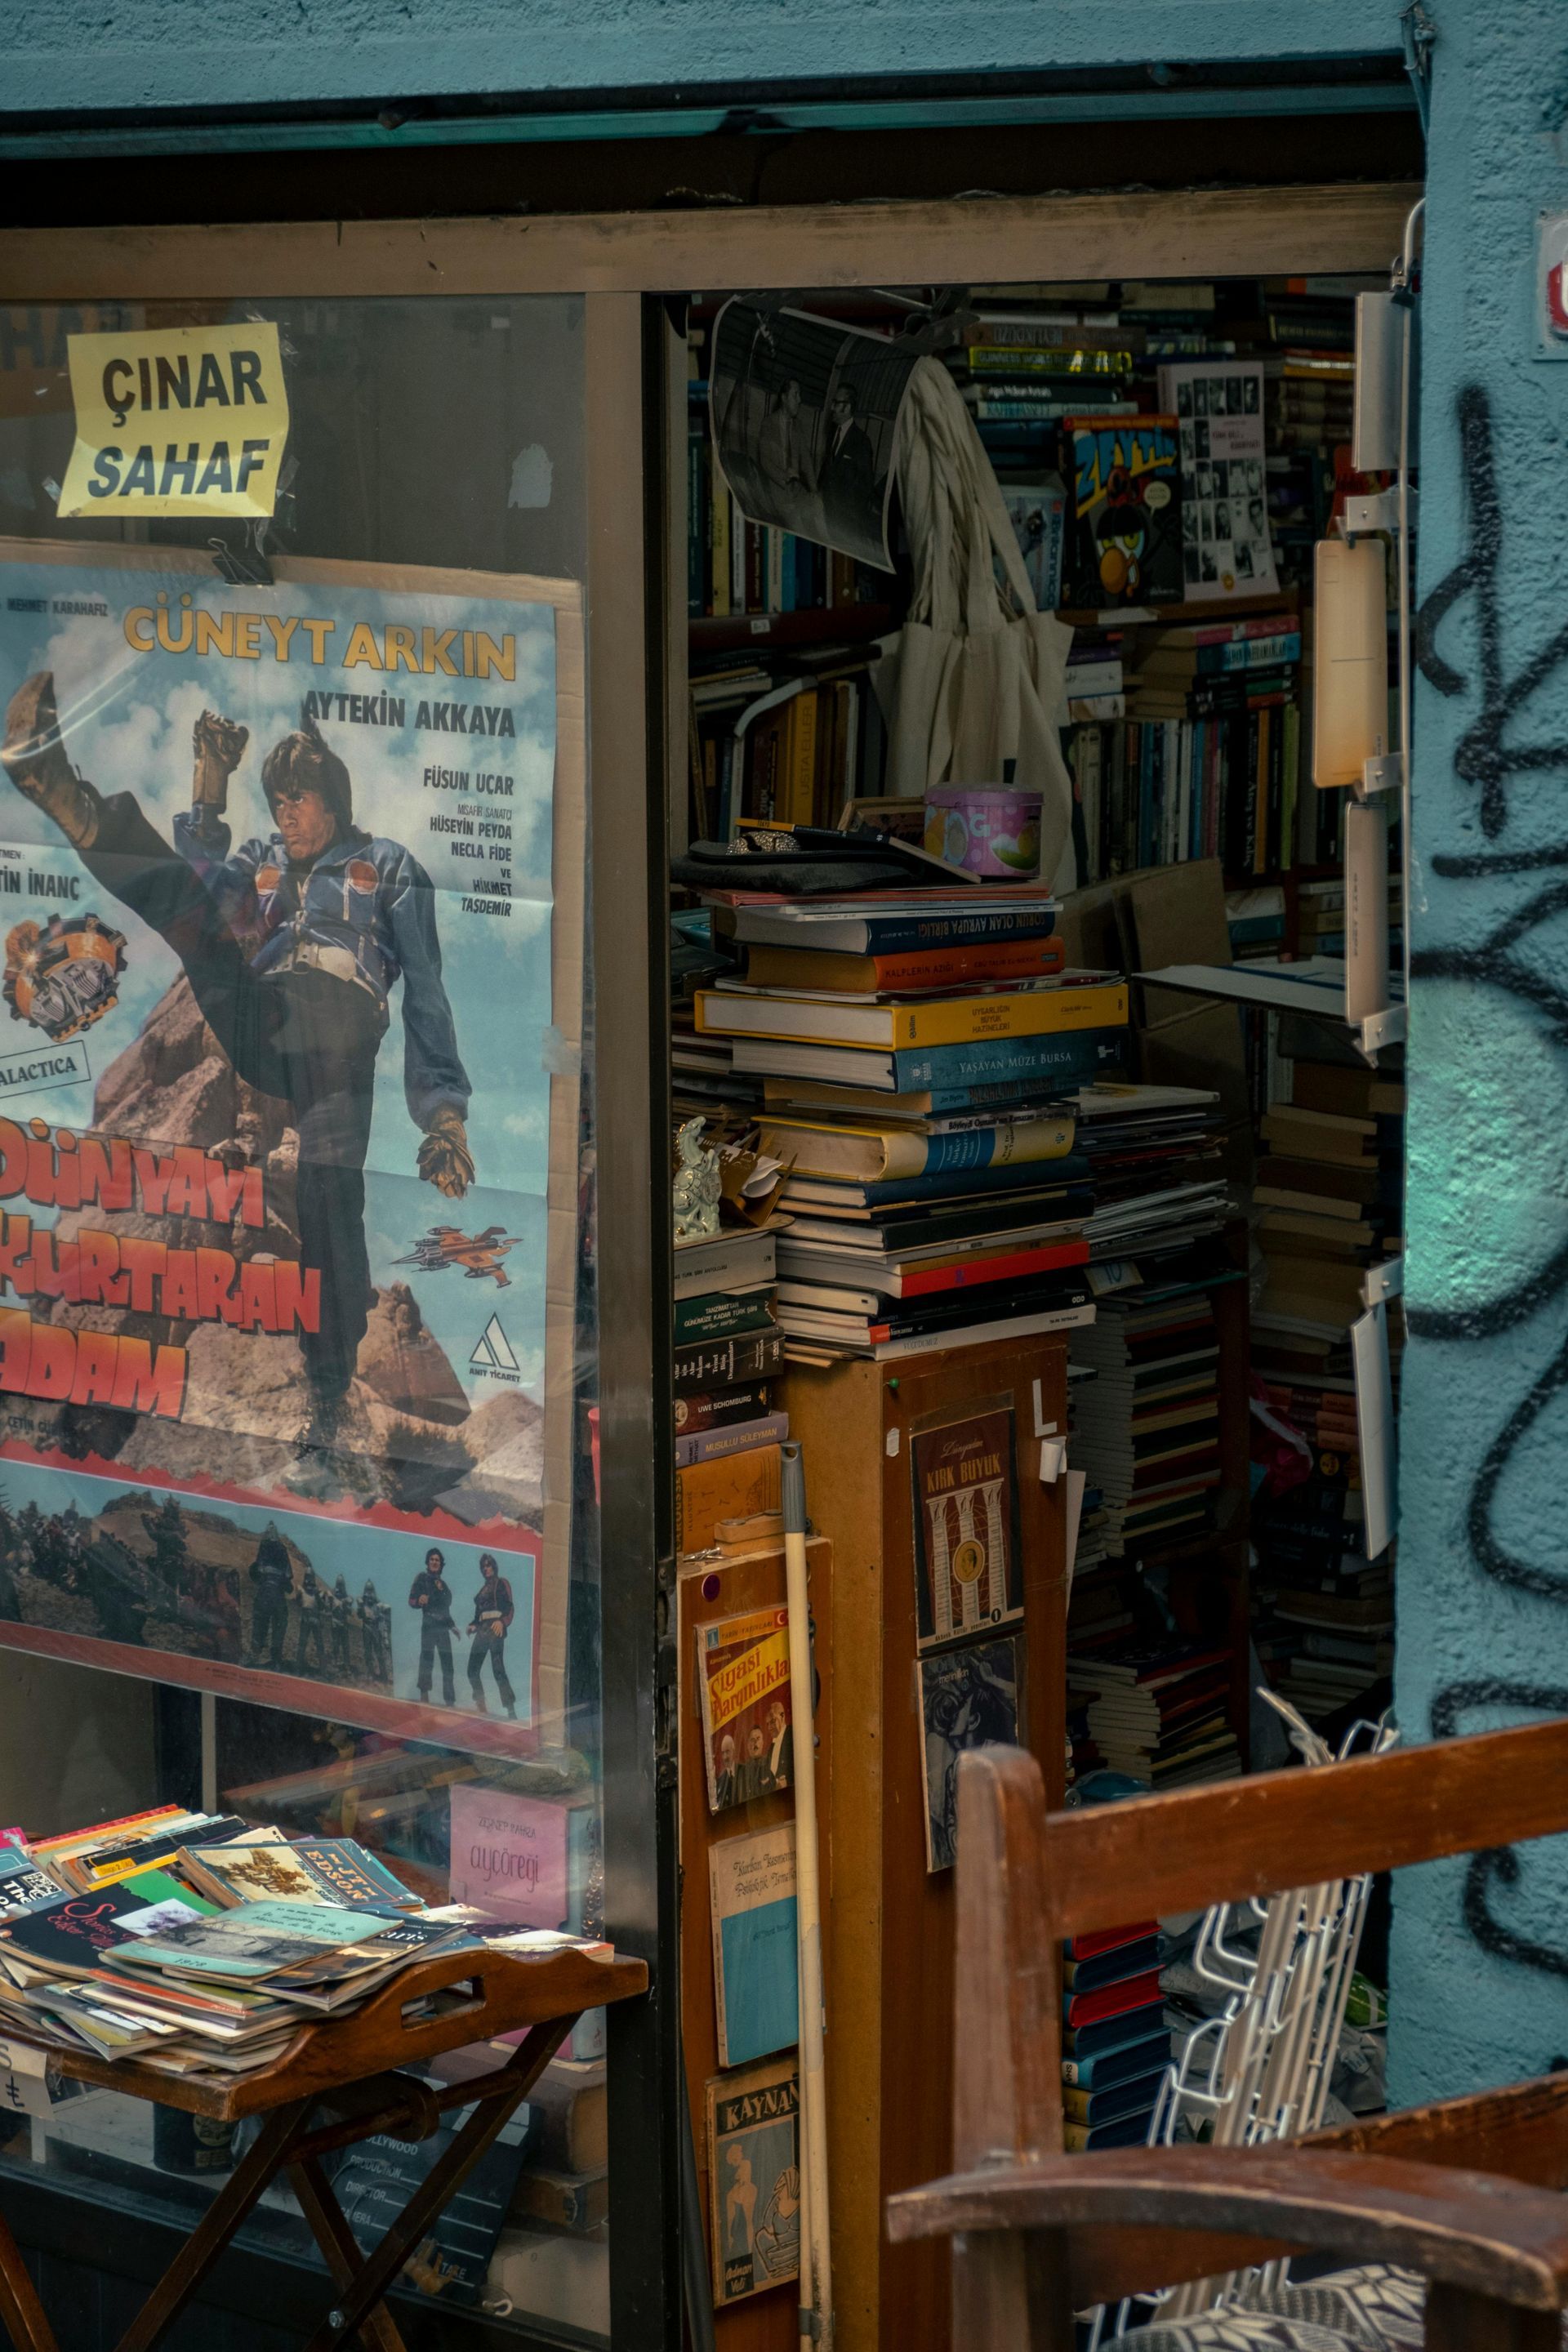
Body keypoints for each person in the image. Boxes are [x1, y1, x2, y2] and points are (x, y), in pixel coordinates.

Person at [0, 677, 475, 1503]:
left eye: (300, 799)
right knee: (197, 931)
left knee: (331, 1198)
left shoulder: (388, 865)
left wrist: (445, 1117)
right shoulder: (258, 863)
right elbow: (197, 881)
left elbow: (425, 988)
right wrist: (210, 785)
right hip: (263, 1016)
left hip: (339, 1034)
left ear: (335, 801)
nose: (287, 813)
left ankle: (326, 1412)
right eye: (278, 798)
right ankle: (71, 800)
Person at [466, 1550, 516, 1718]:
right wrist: (473, 1625)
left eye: (488, 1566)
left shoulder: (501, 1584)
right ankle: (481, 1706)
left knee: (498, 1670)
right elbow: (477, 1617)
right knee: (472, 1669)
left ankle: (511, 1711)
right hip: (482, 1631)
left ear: (494, 1567)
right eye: (483, 1567)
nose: (486, 1569)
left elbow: (509, 1607)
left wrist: (502, 1621)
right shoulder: (481, 1592)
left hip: (496, 1629)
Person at [819, 383, 876, 516]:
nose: (832, 408)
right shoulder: (832, 433)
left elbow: (865, 485)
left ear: (848, 407)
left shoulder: (862, 441)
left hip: (845, 516)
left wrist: (846, 513)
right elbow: (826, 469)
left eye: (836, 403)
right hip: (824, 510)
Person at [409, 1546, 456, 1704]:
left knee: (448, 1663)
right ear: (428, 1562)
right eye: (432, 1559)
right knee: (427, 1660)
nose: (435, 1562)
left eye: (437, 1560)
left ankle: (450, 1702)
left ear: (441, 1564)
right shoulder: (421, 1578)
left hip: (443, 1627)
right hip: (429, 1623)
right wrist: (419, 1599)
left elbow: (446, 1610)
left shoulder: (445, 1586)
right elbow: (411, 1601)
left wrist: (453, 1626)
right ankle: (424, 1697)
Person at [247, 1522, 292, 1668]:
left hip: (264, 1592)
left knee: (260, 1622)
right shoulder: (282, 1549)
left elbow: (257, 1570)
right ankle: (276, 1659)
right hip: (278, 1594)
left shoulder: (264, 1546)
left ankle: (256, 1654)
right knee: (279, 1625)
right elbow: (288, 1576)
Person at [757, 378, 807, 492]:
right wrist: (784, 476)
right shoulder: (768, 424)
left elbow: (806, 460)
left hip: (794, 491)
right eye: (795, 395)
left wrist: (814, 490)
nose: (799, 400)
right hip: (775, 490)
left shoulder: (798, 426)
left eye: (799, 395)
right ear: (784, 398)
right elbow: (765, 461)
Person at [294, 1563, 328, 1673]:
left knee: (319, 1644)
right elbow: (298, 1603)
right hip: (306, 1618)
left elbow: (323, 1607)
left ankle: (323, 1669)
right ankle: (298, 1667)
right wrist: (298, 1595)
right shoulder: (302, 1591)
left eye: (310, 1578)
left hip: (314, 1619)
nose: (309, 1581)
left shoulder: (318, 1593)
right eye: (307, 1578)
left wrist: (320, 1597)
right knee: (302, 1643)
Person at [359, 1577, 391, 1682]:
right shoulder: (362, 1604)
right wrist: (360, 1605)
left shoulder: (378, 1605)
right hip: (367, 1628)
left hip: (375, 1629)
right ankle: (371, 1673)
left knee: (379, 1652)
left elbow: (386, 1612)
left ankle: (383, 1675)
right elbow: (360, 1615)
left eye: (370, 1592)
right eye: (368, 1592)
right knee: (368, 1652)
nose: (369, 1595)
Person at [760, 1697, 793, 1793]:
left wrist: (788, 1782)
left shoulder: (792, 1734)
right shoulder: (771, 1748)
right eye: (767, 1724)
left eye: (773, 1721)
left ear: (782, 1717)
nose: (769, 1727)